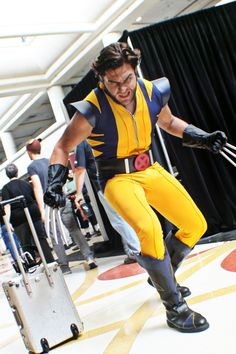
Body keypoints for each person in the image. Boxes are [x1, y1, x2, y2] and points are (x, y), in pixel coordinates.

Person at [44, 42, 227, 333]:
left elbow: (167, 122)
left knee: (195, 223)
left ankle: (161, 275)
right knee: (149, 229)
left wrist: (201, 137)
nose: (122, 88)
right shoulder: (91, 108)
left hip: (150, 169)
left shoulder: (153, 91)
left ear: (135, 71)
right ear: (102, 80)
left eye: (127, 78)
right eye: (112, 82)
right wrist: (54, 181)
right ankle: (175, 306)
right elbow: (63, 146)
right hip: (117, 179)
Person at [26, 139, 97, 272]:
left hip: (50, 205)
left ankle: (65, 267)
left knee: (55, 236)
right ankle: (89, 257)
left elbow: (38, 188)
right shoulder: (50, 161)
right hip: (62, 199)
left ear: (29, 152)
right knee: (74, 229)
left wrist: (42, 210)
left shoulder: (32, 167)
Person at [74, 140, 140, 263]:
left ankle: (137, 251)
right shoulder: (103, 132)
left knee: (118, 220)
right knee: (127, 216)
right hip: (124, 178)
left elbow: (80, 169)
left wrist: (78, 193)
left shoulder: (82, 143)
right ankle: (133, 251)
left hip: (106, 185)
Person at [2, 163, 54, 266]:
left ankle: (32, 266)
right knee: (41, 239)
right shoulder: (25, 183)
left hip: (18, 219)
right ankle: (51, 263)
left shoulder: (5, 188)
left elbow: (7, 206)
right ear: (17, 172)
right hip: (33, 213)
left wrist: (7, 222)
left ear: (7, 175)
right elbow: (34, 197)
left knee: (25, 244)